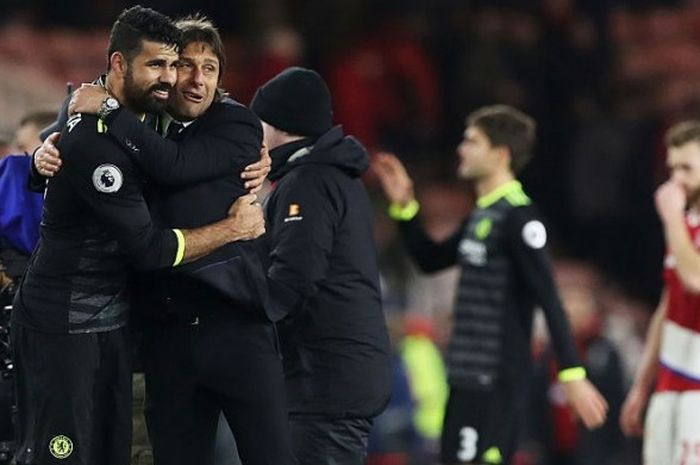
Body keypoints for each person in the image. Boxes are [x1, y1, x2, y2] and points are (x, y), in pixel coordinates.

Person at [10, 7, 265, 465]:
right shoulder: (96, 141)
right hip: (65, 323)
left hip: (112, 325)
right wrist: (233, 228)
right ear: (119, 65)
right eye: (156, 65)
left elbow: (181, 149)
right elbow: (150, 248)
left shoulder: (144, 117)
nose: (169, 78)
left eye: (174, 64)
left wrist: (266, 162)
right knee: (61, 457)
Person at [373, 104, 608, 465]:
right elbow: (430, 259)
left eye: (472, 141)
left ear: (500, 154)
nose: (461, 149)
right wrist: (405, 206)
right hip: (466, 374)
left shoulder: (520, 218)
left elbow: (549, 298)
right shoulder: (483, 215)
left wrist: (572, 374)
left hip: (496, 379)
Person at [249, 66, 393, 465]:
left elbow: (294, 277)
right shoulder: (334, 177)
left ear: (277, 123)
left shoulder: (308, 182)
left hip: (327, 378)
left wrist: (243, 317)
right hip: (332, 375)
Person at [620, 120, 700, 465]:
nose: (676, 179)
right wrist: (642, 384)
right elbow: (669, 305)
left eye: (687, 167)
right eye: (672, 168)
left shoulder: (677, 223)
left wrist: (671, 218)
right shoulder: (685, 226)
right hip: (671, 381)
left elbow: (695, 280)